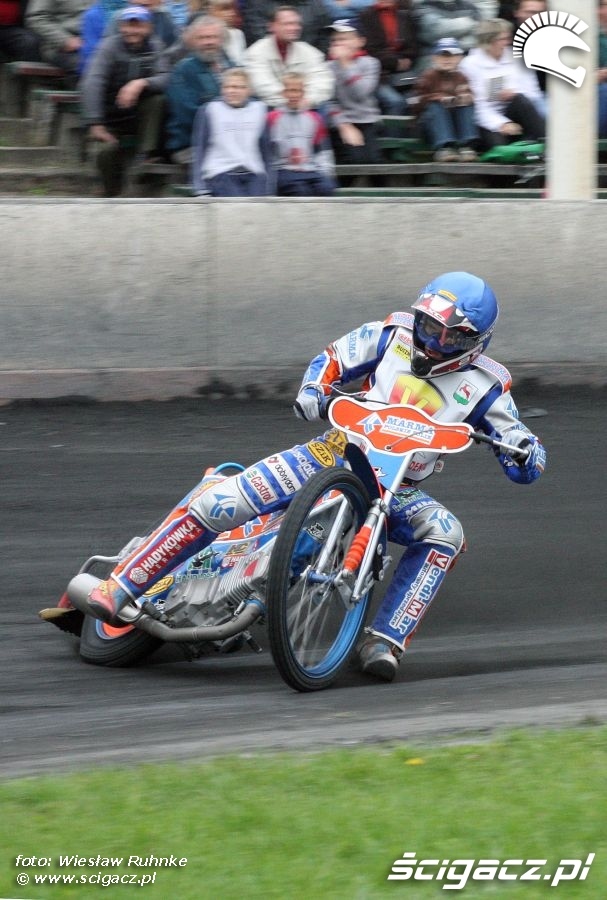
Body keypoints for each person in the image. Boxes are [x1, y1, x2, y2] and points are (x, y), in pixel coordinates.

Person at [73, 271, 546, 683]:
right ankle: (121, 586)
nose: (434, 343)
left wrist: (525, 454)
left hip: (398, 489)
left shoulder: (488, 385)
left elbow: (523, 447)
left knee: (446, 533)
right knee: (222, 502)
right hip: (330, 453)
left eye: (451, 338)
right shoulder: (391, 333)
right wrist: (314, 389)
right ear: (418, 316)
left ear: (476, 342)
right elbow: (333, 358)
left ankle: (385, 641)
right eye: (429, 328)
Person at [80, 5, 170, 195]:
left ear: (148, 27)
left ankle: (146, 155)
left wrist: (141, 83)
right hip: (109, 118)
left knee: (158, 100)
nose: (132, 30)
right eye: (128, 25)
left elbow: (166, 77)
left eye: (138, 25)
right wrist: (95, 122)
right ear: (121, 26)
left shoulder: (156, 46)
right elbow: (92, 82)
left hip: (139, 116)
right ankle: (110, 191)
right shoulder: (108, 46)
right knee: (105, 152)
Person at [459, 17, 545, 150]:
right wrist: (501, 124)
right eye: (502, 39)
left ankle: (546, 142)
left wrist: (513, 93)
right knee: (499, 146)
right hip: (486, 120)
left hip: (517, 113)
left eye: (508, 38)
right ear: (488, 41)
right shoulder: (469, 64)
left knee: (520, 99)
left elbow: (534, 94)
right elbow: (477, 106)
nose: (507, 42)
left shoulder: (518, 57)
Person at [190, 67, 271, 195]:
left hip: (254, 172)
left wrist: (269, 185)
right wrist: (200, 187)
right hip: (221, 173)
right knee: (236, 203)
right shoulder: (210, 110)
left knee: (257, 204)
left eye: (239, 87)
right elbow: (200, 148)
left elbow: (266, 150)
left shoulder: (260, 110)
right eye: (227, 87)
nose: (232, 91)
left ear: (249, 90)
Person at [165, 15, 232, 164]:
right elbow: (186, 113)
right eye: (202, 38)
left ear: (222, 40)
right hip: (191, 144)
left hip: (229, 139)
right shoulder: (183, 70)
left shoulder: (231, 65)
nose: (208, 42)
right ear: (193, 41)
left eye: (213, 37)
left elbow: (248, 98)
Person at [243, 5, 334, 110]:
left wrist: (308, 100)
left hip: (307, 108)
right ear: (271, 26)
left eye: (297, 24)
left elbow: (323, 81)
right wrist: (291, 102)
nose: (295, 28)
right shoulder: (256, 52)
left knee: (326, 108)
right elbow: (262, 86)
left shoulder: (309, 52)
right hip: (269, 109)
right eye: (288, 24)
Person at [326, 18, 383, 167]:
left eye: (343, 39)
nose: (338, 43)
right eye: (335, 40)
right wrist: (343, 124)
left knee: (373, 163)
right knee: (352, 162)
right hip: (340, 122)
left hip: (367, 120)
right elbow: (329, 101)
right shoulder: (328, 67)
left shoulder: (370, 63)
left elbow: (361, 93)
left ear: (360, 41)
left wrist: (345, 64)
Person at [268, 71, 336, 195]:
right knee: (301, 191)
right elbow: (266, 152)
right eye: (290, 90)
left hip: (310, 169)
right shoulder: (272, 118)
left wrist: (326, 174)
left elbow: (322, 151)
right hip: (283, 170)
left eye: (298, 91)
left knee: (326, 188)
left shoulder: (314, 118)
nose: (294, 95)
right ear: (283, 93)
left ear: (303, 93)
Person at [414, 36, 478, 161]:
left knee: (466, 104)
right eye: (443, 55)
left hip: (454, 123)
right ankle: (444, 148)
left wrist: (465, 96)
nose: (447, 59)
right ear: (434, 57)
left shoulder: (461, 77)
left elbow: (469, 94)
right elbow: (415, 102)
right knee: (436, 106)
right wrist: (437, 98)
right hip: (430, 127)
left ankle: (466, 146)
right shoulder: (428, 76)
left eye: (452, 56)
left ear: (459, 58)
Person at [358, 0, 418, 116]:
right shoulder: (366, 15)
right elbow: (370, 49)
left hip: (404, 72)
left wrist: (406, 60)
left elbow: (413, 46)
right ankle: (390, 129)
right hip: (378, 73)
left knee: (413, 99)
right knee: (395, 102)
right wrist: (395, 62)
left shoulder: (405, 14)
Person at [411, 0, 482, 72]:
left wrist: (451, 39)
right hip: (432, 57)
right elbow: (436, 30)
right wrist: (469, 22)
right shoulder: (423, 6)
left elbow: (478, 33)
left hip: (465, 56)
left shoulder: (469, 6)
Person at [26, 0, 89, 81]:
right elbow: (36, 18)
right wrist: (64, 40)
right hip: (61, 47)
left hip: (97, 43)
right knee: (89, 66)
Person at [242, 0, 332, 54]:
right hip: (270, 59)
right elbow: (258, 34)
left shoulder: (316, 4)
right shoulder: (257, 3)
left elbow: (324, 36)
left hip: (307, 61)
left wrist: (311, 57)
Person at [207, 0, 246, 65]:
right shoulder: (206, 37)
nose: (232, 13)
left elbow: (241, 63)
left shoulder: (238, 34)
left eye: (233, 9)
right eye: (225, 9)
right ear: (212, 12)